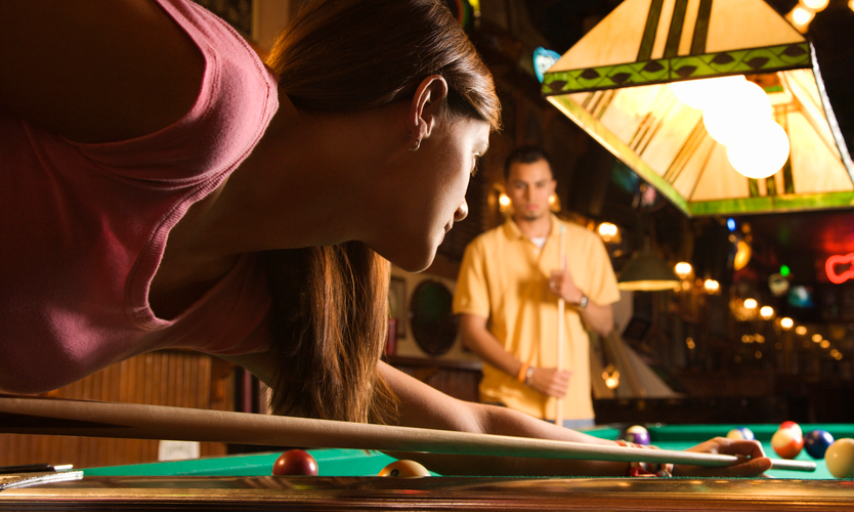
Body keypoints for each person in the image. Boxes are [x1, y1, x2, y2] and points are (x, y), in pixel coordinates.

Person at [0, 0, 769, 477]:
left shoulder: (254, 295)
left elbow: (471, 429)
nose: (472, 205)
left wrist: (653, 463)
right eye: (475, 162)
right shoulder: (212, 102)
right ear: (424, 107)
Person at [454, 147, 617, 429]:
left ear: (552, 187)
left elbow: (605, 325)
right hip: (507, 403)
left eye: (540, 185)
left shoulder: (586, 243)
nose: (531, 196)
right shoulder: (482, 249)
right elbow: (471, 333)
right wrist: (527, 373)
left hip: (571, 404)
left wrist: (578, 297)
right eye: (521, 185)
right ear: (507, 188)